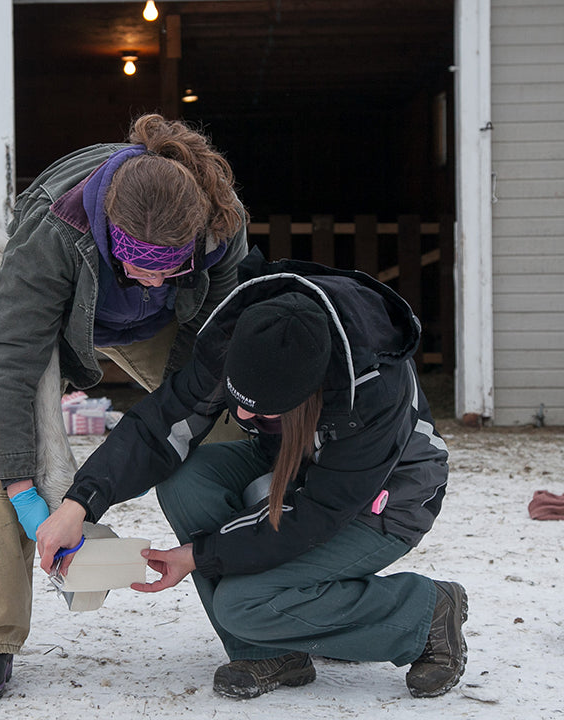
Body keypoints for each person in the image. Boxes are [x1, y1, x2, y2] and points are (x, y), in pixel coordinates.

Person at [36, 249, 466, 700]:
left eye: (261, 409)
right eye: (236, 399)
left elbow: (317, 513)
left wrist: (201, 555)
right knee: (187, 482)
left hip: (383, 499)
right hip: (291, 461)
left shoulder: (374, 389)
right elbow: (160, 425)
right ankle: (266, 651)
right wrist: (79, 503)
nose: (240, 415)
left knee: (242, 605)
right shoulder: (246, 332)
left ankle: (424, 614)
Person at [0, 114, 249, 701]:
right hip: (58, 321)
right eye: (139, 263)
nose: (154, 280)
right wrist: (24, 491)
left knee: (233, 425)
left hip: (165, 326)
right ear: (111, 232)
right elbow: (9, 359)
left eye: (171, 267)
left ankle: (273, 607)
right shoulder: (56, 229)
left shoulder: (219, 220)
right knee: (4, 449)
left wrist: (182, 414)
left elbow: (213, 335)